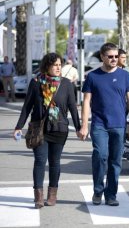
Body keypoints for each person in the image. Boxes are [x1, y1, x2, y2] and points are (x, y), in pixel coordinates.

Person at [13, 53, 81, 209]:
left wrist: (78, 127)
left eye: (59, 65)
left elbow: (73, 108)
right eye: (54, 65)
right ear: (46, 66)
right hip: (39, 129)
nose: (58, 68)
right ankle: (38, 197)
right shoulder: (36, 83)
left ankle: (52, 195)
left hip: (59, 129)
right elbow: (27, 107)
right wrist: (18, 127)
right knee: (40, 161)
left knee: (55, 162)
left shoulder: (66, 84)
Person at [79, 42, 129, 207]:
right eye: (110, 56)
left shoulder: (125, 76)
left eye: (116, 56)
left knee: (115, 161)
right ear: (102, 57)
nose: (114, 59)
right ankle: (98, 191)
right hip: (99, 124)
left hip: (118, 125)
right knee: (100, 156)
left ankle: (111, 194)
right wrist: (84, 125)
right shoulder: (92, 76)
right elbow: (86, 102)